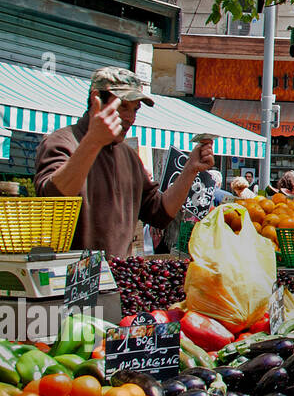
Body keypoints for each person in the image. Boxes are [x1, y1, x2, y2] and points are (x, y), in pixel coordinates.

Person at [33, 67, 216, 257]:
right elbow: (53, 198)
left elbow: (160, 213)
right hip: (72, 281)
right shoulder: (62, 142)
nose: (130, 118)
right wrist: (93, 141)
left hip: (118, 280)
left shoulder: (128, 156)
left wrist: (190, 169)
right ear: (96, 99)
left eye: (135, 110)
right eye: (123, 106)